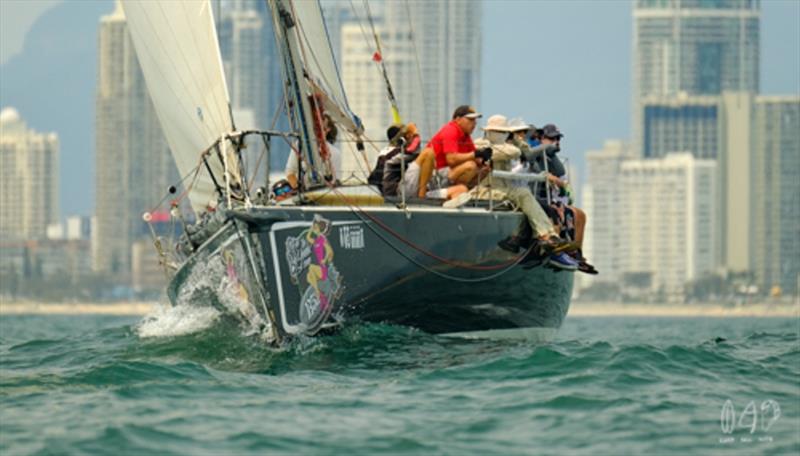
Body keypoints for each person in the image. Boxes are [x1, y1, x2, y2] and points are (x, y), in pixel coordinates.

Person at [472, 115, 577, 270]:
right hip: (487, 189)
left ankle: (547, 240)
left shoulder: (512, 146)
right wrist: (533, 146)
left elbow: (526, 154)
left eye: (522, 133)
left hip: (506, 189)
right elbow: (508, 153)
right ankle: (540, 242)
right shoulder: (481, 144)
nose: (521, 136)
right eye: (517, 132)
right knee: (531, 199)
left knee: (532, 200)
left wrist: (518, 141)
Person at [529, 124, 597, 274]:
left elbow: (562, 180)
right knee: (556, 213)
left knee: (579, 214)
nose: (556, 141)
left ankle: (576, 253)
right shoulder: (532, 156)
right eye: (552, 138)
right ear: (541, 139)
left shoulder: (551, 159)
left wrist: (559, 183)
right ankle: (556, 253)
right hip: (539, 198)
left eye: (558, 138)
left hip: (554, 199)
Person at [417, 105, 492, 197]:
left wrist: (483, 159)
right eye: (470, 120)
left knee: (484, 169)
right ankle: (454, 191)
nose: (474, 123)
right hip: (433, 175)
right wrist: (476, 154)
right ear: (458, 119)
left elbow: (475, 157)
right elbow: (451, 159)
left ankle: (462, 192)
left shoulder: (465, 136)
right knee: (470, 166)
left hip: (447, 173)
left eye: (475, 120)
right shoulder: (450, 130)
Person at [285, 113, 341, 189]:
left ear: (328, 129)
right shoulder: (299, 145)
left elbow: (335, 180)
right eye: (315, 128)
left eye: (322, 128)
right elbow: (290, 172)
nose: (317, 131)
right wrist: (298, 188)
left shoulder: (335, 153)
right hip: (302, 191)